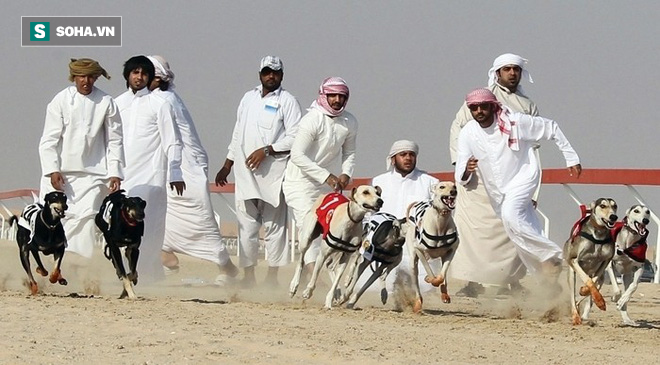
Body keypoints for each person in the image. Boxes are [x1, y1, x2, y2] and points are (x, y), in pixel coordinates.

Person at [454, 88, 581, 289]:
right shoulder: (468, 132)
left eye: (483, 106)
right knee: (515, 229)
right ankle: (547, 281)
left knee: (511, 215)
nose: (479, 111)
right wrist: (466, 170)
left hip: (523, 177)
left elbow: (552, 128)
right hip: (497, 190)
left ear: (492, 106)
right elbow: (461, 167)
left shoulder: (515, 122)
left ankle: (553, 256)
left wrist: (571, 158)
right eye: (474, 108)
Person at [448, 53, 539, 297]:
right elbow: (458, 130)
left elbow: (533, 149)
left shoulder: (527, 106)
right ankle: (472, 283)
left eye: (516, 69)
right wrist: (463, 166)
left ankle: (511, 281)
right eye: (507, 69)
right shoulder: (481, 99)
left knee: (513, 228)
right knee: (474, 233)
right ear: (497, 73)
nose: (512, 73)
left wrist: (533, 189)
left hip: (512, 179)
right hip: (477, 180)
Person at [146, 55, 239, 284]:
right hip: (167, 168)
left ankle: (227, 268)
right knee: (159, 217)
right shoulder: (160, 99)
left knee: (200, 219)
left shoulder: (164, 100)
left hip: (185, 169)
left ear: (157, 79)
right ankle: (167, 260)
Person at [215, 56, 301, 287]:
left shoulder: (288, 101)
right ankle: (249, 276)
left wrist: (268, 150)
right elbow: (238, 132)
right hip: (245, 175)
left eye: (275, 72)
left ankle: (272, 277)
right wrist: (227, 164)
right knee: (247, 227)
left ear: (282, 75)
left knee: (275, 228)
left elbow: (296, 137)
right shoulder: (248, 98)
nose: (270, 76)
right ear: (260, 74)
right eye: (266, 72)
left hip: (274, 174)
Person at [38, 58, 124, 262]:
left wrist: (114, 172)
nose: (86, 81)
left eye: (90, 77)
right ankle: (55, 263)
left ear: (96, 78)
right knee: (56, 219)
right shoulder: (60, 100)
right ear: (74, 77)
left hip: (94, 174)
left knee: (87, 218)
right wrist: (52, 170)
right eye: (82, 76)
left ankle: (77, 265)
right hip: (61, 174)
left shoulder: (106, 102)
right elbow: (49, 138)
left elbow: (115, 139)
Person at [114, 55, 186, 284]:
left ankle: (143, 276)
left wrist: (175, 172)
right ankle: (127, 274)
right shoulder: (116, 104)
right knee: (119, 228)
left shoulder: (160, 104)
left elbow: (172, 140)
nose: (139, 77)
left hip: (151, 177)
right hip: (123, 178)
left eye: (144, 73)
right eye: (135, 72)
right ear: (127, 75)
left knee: (149, 230)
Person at [282, 77, 357, 268]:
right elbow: (297, 155)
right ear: (323, 95)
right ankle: (311, 271)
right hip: (298, 182)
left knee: (331, 226)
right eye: (332, 95)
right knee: (308, 225)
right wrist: (326, 176)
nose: (337, 100)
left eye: (341, 96)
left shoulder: (350, 121)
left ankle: (321, 271)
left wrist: (346, 173)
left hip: (325, 186)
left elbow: (349, 152)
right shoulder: (312, 120)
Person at [369, 140, 439, 293]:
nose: (408, 158)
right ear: (393, 159)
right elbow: (370, 216)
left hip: (416, 248)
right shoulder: (379, 182)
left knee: (425, 289)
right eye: (403, 154)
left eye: (411, 155)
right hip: (384, 247)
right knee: (372, 288)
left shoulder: (430, 183)